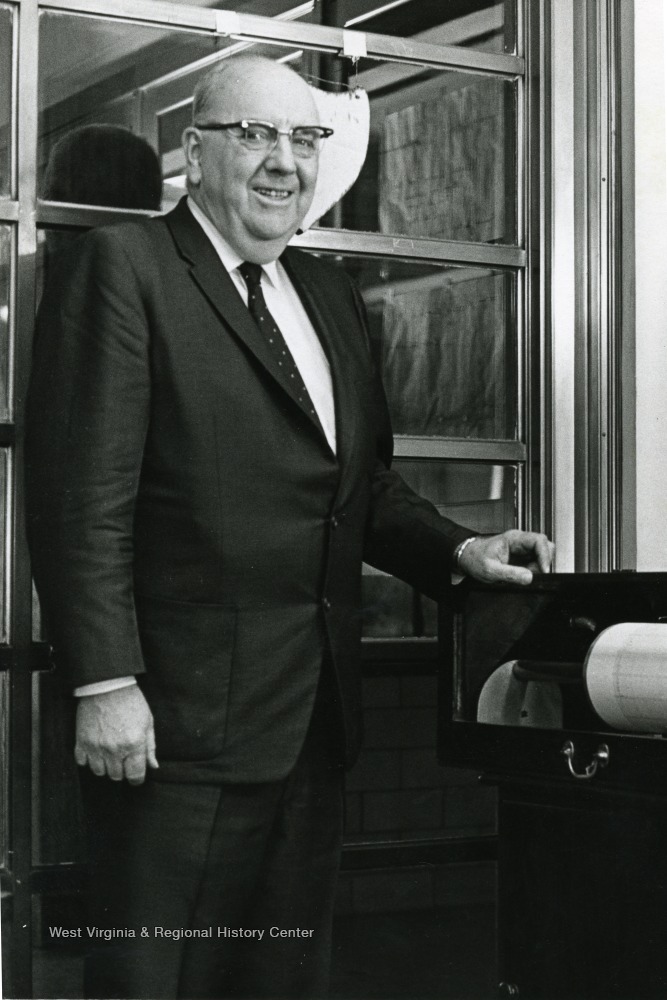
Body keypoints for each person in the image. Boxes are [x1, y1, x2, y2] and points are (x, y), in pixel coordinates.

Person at [25, 54, 554, 1000]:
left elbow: (360, 488)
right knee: (154, 978)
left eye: (304, 138)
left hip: (312, 720)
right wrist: (106, 681)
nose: (284, 160)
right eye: (255, 134)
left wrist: (459, 549)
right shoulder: (126, 268)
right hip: (173, 732)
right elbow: (82, 501)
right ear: (195, 154)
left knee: (278, 978)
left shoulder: (327, 293)